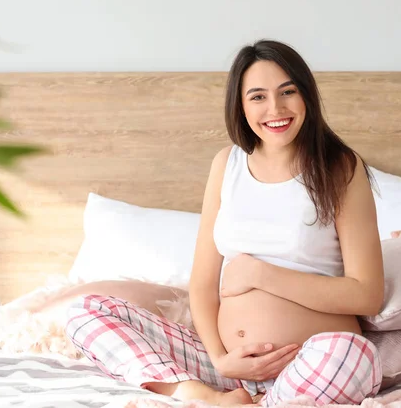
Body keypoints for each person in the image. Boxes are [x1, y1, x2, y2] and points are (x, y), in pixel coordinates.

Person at [65, 39, 384, 406]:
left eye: (288, 92)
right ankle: (201, 396)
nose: (276, 108)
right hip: (228, 371)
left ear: (307, 96)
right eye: (258, 97)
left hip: (314, 364)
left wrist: (259, 274)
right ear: (241, 105)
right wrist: (221, 359)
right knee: (87, 311)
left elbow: (367, 294)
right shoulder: (227, 165)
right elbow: (202, 283)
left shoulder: (339, 167)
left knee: (352, 354)